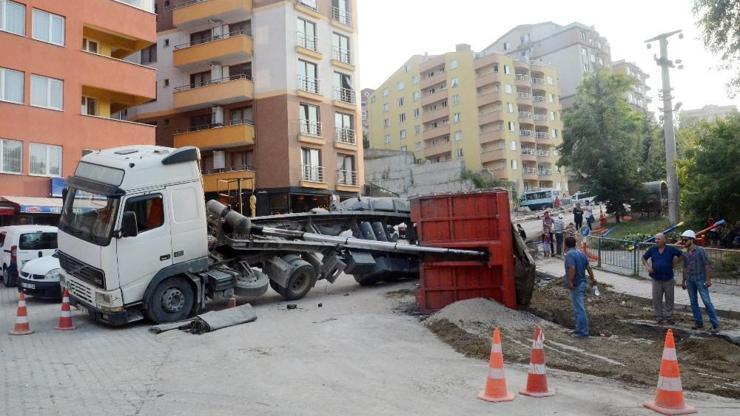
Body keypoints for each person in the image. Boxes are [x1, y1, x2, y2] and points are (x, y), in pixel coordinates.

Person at [680, 230, 720, 334]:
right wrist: (683, 281)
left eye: (685, 240)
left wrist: (708, 279)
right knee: (693, 302)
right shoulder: (685, 253)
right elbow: (685, 267)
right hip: (690, 280)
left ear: (692, 240)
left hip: (700, 279)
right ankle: (698, 322)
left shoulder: (700, 251)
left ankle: (715, 325)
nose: (683, 242)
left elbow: (707, 265)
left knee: (707, 301)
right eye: (682, 240)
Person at [641, 233, 683, 325]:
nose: (656, 241)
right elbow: (643, 258)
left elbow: (681, 255)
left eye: (659, 239)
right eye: (655, 239)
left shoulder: (671, 249)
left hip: (668, 278)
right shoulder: (652, 249)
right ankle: (659, 316)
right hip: (656, 279)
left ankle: (669, 317)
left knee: (669, 298)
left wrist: (675, 263)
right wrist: (648, 267)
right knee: (656, 299)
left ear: (664, 240)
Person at [564, 236, 595, 338]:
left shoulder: (569, 255)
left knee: (579, 309)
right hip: (582, 283)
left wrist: (570, 282)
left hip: (576, 284)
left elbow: (572, 268)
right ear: (575, 243)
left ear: (566, 244)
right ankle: (578, 329)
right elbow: (588, 268)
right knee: (578, 308)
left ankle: (583, 332)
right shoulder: (581, 253)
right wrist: (592, 279)